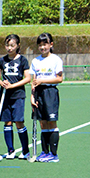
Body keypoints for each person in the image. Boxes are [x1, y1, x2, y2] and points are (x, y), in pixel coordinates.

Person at [0, 34, 32, 159]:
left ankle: (25, 151)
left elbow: (27, 78)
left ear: (18, 46)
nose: (9, 48)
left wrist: (13, 85)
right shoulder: (1, 60)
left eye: (12, 45)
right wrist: (3, 83)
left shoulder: (23, 60)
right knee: (7, 122)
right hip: (5, 96)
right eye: (7, 45)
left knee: (19, 122)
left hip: (18, 95)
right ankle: (10, 150)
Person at [30, 32, 64, 163]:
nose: (42, 47)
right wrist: (32, 97)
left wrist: (43, 81)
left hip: (50, 92)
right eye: (40, 45)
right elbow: (34, 81)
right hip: (39, 93)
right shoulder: (35, 61)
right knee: (42, 123)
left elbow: (59, 79)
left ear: (51, 44)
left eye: (45, 44)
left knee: (52, 122)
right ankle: (44, 152)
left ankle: (54, 154)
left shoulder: (56, 60)